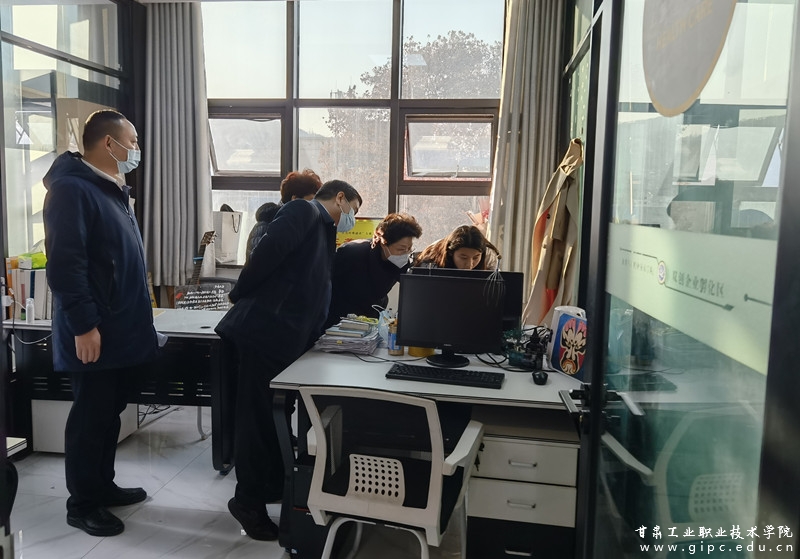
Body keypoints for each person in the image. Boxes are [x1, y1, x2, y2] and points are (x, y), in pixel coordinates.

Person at [215, 179, 361, 541]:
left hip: (284, 339)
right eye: (354, 209)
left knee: (271, 419)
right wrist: (239, 294)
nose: (353, 218)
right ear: (340, 197)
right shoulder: (303, 210)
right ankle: (247, 502)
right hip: (264, 333)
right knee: (256, 422)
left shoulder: (323, 229)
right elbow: (265, 256)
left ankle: (267, 487)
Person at [42, 109, 158, 537]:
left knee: (109, 415)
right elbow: (65, 266)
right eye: (133, 140)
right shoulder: (72, 190)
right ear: (110, 143)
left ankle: (102, 486)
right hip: (95, 331)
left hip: (119, 329)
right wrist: (84, 326)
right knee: (90, 419)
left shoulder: (110, 188)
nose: (137, 149)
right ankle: (83, 504)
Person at [325, 213, 422, 328]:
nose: (405, 253)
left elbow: (413, 286)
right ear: (384, 243)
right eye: (401, 249)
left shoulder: (401, 261)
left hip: (372, 316)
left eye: (409, 248)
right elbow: (326, 286)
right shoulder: (352, 253)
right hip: (339, 318)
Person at [244, 169, 323, 265]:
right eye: (311, 201)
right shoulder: (265, 227)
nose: (315, 207)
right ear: (295, 199)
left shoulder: (306, 227)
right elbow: (258, 266)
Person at [413, 224, 501, 270]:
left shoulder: (489, 256)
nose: (469, 265)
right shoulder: (432, 260)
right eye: (463, 257)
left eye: (475, 257)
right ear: (450, 252)